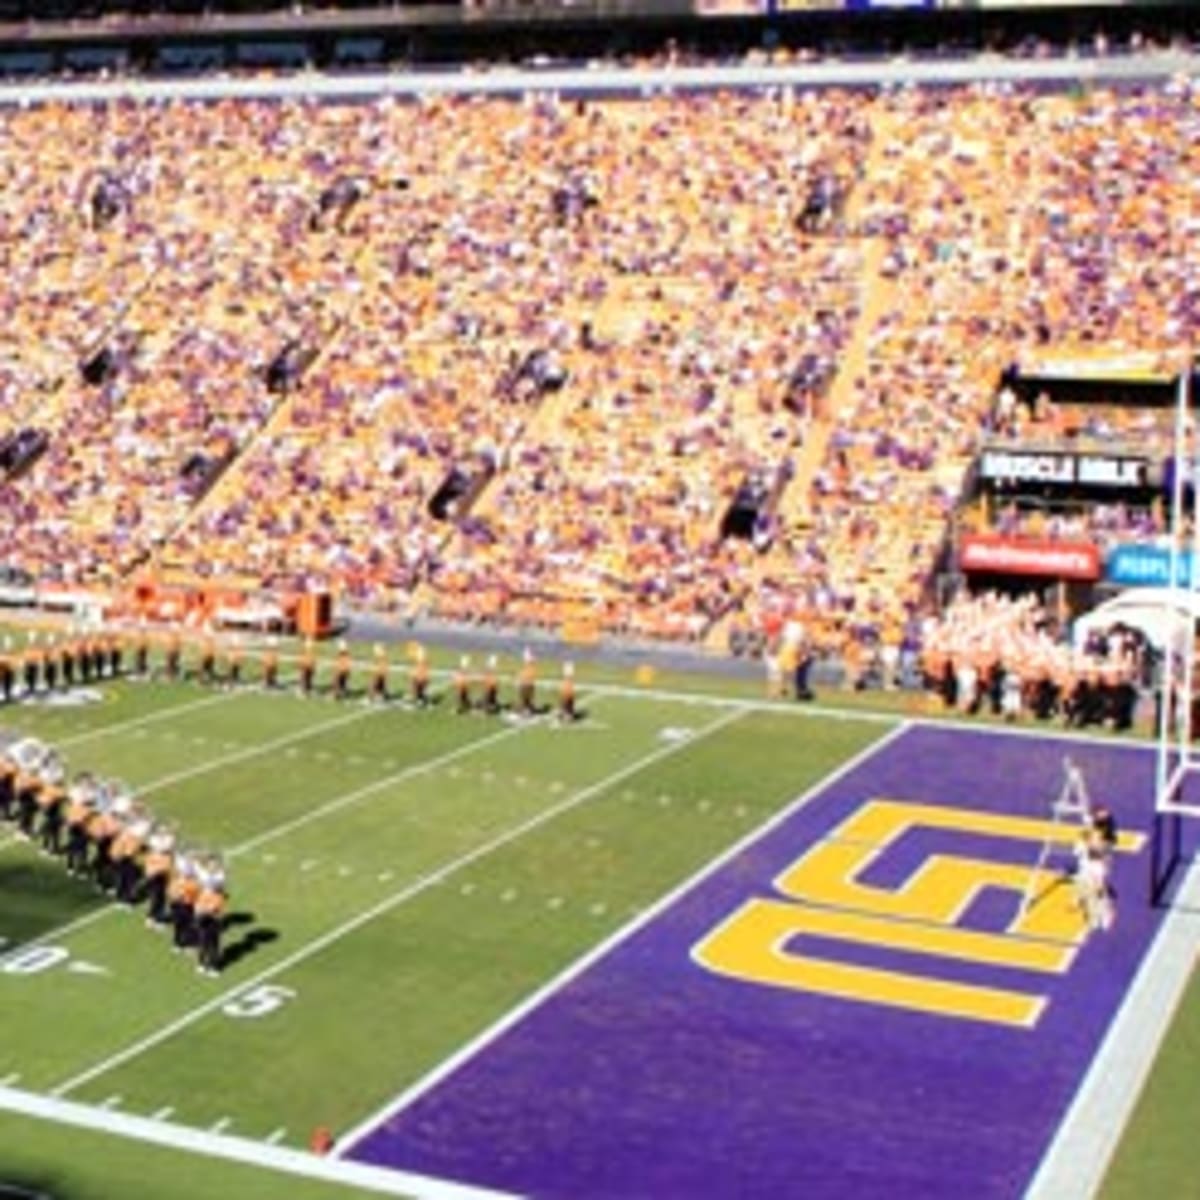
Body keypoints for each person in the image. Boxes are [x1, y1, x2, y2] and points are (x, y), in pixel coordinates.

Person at [194, 857, 228, 977]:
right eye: (210, 865)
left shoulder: (219, 877)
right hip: (203, 910)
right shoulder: (205, 876)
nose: (213, 867)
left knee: (214, 942)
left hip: (214, 914)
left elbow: (216, 884)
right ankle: (201, 963)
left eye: (215, 865)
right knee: (203, 941)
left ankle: (214, 966)